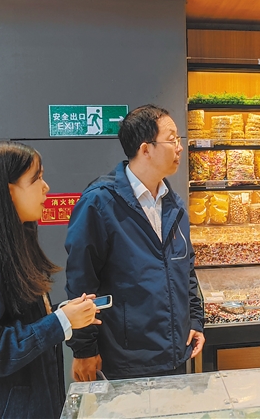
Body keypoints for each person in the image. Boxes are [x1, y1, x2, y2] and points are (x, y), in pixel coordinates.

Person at [0, 141, 100, 419]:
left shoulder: (11, 246)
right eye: (36, 179)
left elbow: (17, 323)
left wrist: (61, 315)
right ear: (8, 190)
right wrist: (59, 323)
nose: (46, 187)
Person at [65, 104, 204, 381]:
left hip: (176, 354)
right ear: (145, 149)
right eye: (172, 139)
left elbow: (186, 270)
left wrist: (196, 320)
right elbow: (81, 283)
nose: (180, 147)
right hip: (126, 361)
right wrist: (84, 349)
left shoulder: (174, 204)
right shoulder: (100, 202)